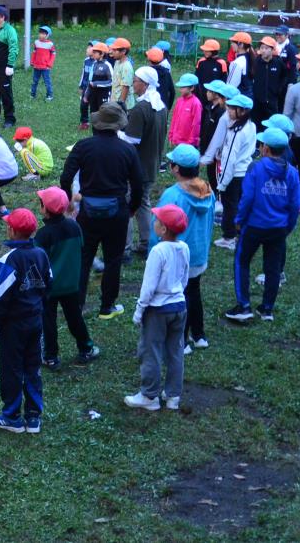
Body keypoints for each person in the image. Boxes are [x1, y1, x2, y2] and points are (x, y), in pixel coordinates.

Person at [61, 104, 144, 320]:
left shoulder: (83, 146)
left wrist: (68, 201)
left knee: (83, 258)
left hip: (87, 212)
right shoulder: (128, 150)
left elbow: (65, 177)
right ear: (117, 127)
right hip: (117, 212)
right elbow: (138, 185)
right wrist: (132, 208)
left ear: (97, 124)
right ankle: (107, 307)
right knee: (113, 259)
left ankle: (76, 306)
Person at [225, 128, 300, 323]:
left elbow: (247, 198)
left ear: (265, 148)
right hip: (278, 228)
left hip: (254, 226)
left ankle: (244, 305)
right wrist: (288, 227)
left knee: (242, 261)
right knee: (273, 267)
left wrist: (239, 221)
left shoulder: (256, 168)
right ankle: (267, 309)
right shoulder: (292, 173)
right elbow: (295, 204)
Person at [124, 204, 190, 411]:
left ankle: (149, 396)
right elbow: (185, 278)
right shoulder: (184, 248)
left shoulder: (158, 251)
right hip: (179, 306)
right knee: (175, 351)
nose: (154, 222)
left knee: (150, 351)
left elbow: (148, 286)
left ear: (164, 229)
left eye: (157, 220)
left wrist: (139, 310)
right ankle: (173, 396)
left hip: (158, 310)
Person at [0, 208, 50, 433]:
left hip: (13, 325)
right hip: (35, 320)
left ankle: (12, 416)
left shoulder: (8, 260)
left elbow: (2, 297)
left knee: (11, 368)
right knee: (32, 367)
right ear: (34, 230)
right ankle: (33, 416)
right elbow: (48, 282)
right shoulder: (41, 254)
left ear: (11, 231)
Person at [158, 144, 216, 351]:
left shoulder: (172, 196)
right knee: (193, 291)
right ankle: (199, 335)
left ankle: (181, 340)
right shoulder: (208, 191)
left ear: (175, 168)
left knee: (178, 297)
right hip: (199, 254)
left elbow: (162, 227)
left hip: (177, 255)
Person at [35, 186, 97, 369]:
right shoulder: (74, 226)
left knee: (49, 321)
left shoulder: (43, 235)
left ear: (45, 209)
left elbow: (39, 260)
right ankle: (86, 348)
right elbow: (81, 247)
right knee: (74, 317)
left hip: (50, 287)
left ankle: (51, 356)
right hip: (71, 284)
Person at [201, 94, 256, 249]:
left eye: (232, 108)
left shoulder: (236, 132)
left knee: (229, 206)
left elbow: (230, 159)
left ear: (243, 111)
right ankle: (240, 234)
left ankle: (229, 236)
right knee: (238, 204)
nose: (229, 110)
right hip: (244, 171)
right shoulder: (251, 125)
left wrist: (222, 184)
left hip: (233, 175)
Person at [126, 67, 170, 255]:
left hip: (137, 166)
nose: (132, 83)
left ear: (144, 84)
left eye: (135, 80)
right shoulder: (161, 106)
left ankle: (124, 248)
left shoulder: (141, 108)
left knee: (127, 205)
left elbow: (132, 140)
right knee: (143, 203)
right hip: (152, 164)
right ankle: (146, 243)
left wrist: (116, 132)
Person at [249, 37, 285, 123]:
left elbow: (284, 76)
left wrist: (279, 90)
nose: (263, 50)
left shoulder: (278, 63)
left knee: (272, 125)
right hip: (257, 102)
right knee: (256, 125)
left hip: (272, 101)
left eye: (266, 48)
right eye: (262, 48)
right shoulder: (256, 62)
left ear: (272, 50)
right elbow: (250, 76)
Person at [82, 42, 114, 128]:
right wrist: (86, 95)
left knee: (103, 113)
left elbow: (111, 81)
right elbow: (90, 80)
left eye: (95, 52)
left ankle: (104, 130)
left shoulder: (107, 65)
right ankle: (95, 131)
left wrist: (97, 84)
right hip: (93, 94)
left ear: (102, 54)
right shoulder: (94, 64)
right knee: (94, 113)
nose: (93, 54)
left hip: (103, 94)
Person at [168, 73, 203, 148]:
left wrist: (191, 142)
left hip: (187, 144)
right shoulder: (179, 101)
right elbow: (174, 119)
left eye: (183, 87)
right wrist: (171, 136)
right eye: (180, 87)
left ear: (192, 88)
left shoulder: (196, 103)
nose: (180, 89)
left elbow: (196, 125)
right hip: (177, 141)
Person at [30, 26, 56, 100]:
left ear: (47, 35)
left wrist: (49, 64)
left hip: (46, 67)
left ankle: (49, 95)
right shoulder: (36, 42)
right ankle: (32, 95)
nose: (41, 35)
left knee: (47, 82)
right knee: (34, 81)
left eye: (43, 33)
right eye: (40, 33)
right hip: (36, 66)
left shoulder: (50, 44)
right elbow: (34, 52)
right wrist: (32, 61)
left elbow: (53, 54)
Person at [108, 37, 134, 110]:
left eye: (115, 50)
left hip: (123, 106)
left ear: (123, 51)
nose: (112, 52)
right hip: (115, 103)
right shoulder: (117, 62)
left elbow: (125, 87)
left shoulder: (126, 67)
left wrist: (121, 105)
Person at [225, 32, 253, 97]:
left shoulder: (237, 62)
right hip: (248, 98)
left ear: (241, 44)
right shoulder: (251, 58)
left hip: (239, 100)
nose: (231, 44)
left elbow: (230, 86)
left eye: (233, 42)